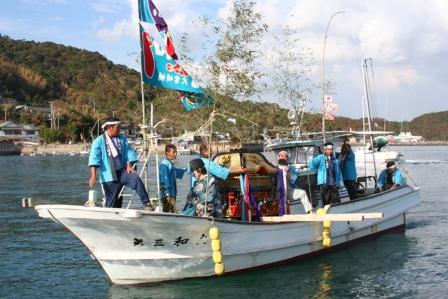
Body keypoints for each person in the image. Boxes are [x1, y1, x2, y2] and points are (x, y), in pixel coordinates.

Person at [88, 117, 150, 209]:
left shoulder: (122, 138)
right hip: (109, 175)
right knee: (113, 202)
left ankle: (147, 204)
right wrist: (93, 175)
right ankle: (111, 216)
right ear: (110, 127)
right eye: (118, 127)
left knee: (136, 179)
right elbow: (94, 158)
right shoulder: (98, 141)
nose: (119, 130)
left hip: (123, 171)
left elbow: (128, 152)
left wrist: (129, 165)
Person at [159, 144, 187, 213]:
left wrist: (186, 169)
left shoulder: (170, 164)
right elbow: (164, 180)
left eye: (176, 152)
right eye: (174, 152)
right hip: (168, 196)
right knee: (168, 212)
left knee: (172, 211)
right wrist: (167, 194)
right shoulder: (164, 164)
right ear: (167, 153)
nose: (175, 154)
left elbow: (176, 172)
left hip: (172, 195)